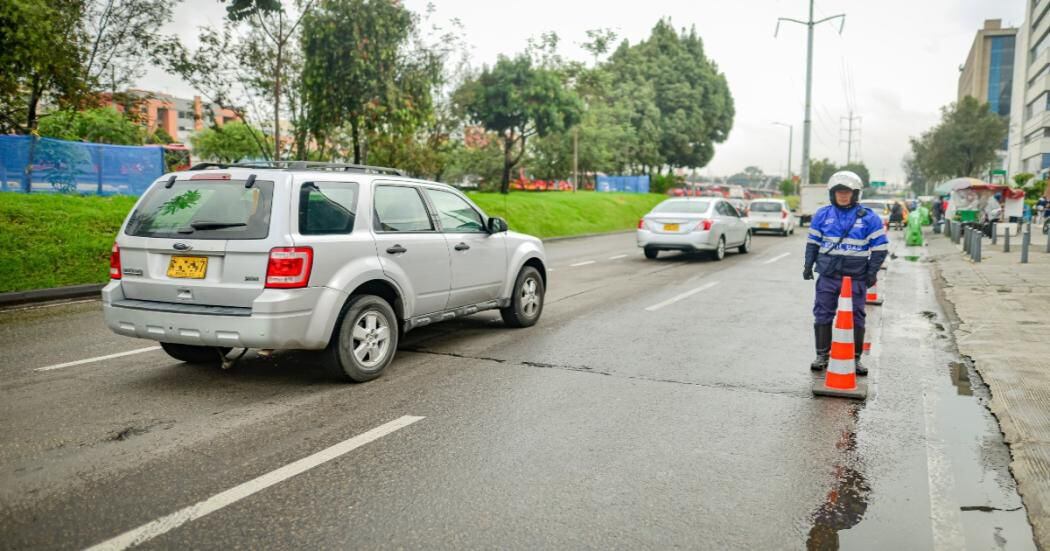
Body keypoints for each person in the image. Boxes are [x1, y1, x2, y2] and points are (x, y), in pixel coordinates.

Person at [804, 171, 889, 376]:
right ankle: (822, 355)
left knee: (857, 317)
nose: (843, 196)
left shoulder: (869, 218)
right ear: (832, 194)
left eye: (847, 192)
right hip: (828, 275)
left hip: (855, 277)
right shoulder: (822, 215)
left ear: (855, 193)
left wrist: (871, 273)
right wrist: (808, 265)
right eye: (839, 192)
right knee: (822, 313)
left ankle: (855, 359)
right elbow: (813, 243)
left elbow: (880, 248)